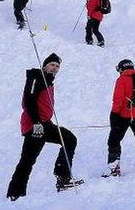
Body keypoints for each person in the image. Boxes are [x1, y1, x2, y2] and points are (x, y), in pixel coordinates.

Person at [6, 53, 81, 200]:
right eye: (52, 64)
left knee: (68, 139)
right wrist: (37, 123)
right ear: (45, 65)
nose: (55, 68)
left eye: (57, 66)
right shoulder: (36, 77)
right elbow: (28, 101)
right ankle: (15, 194)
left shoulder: (48, 81)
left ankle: (61, 177)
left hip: (44, 124)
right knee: (28, 160)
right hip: (35, 126)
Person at [105, 59, 135, 177]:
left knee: (114, 140)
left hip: (124, 114)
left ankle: (114, 168)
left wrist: (114, 114)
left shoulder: (122, 79)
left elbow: (118, 99)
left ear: (121, 69)